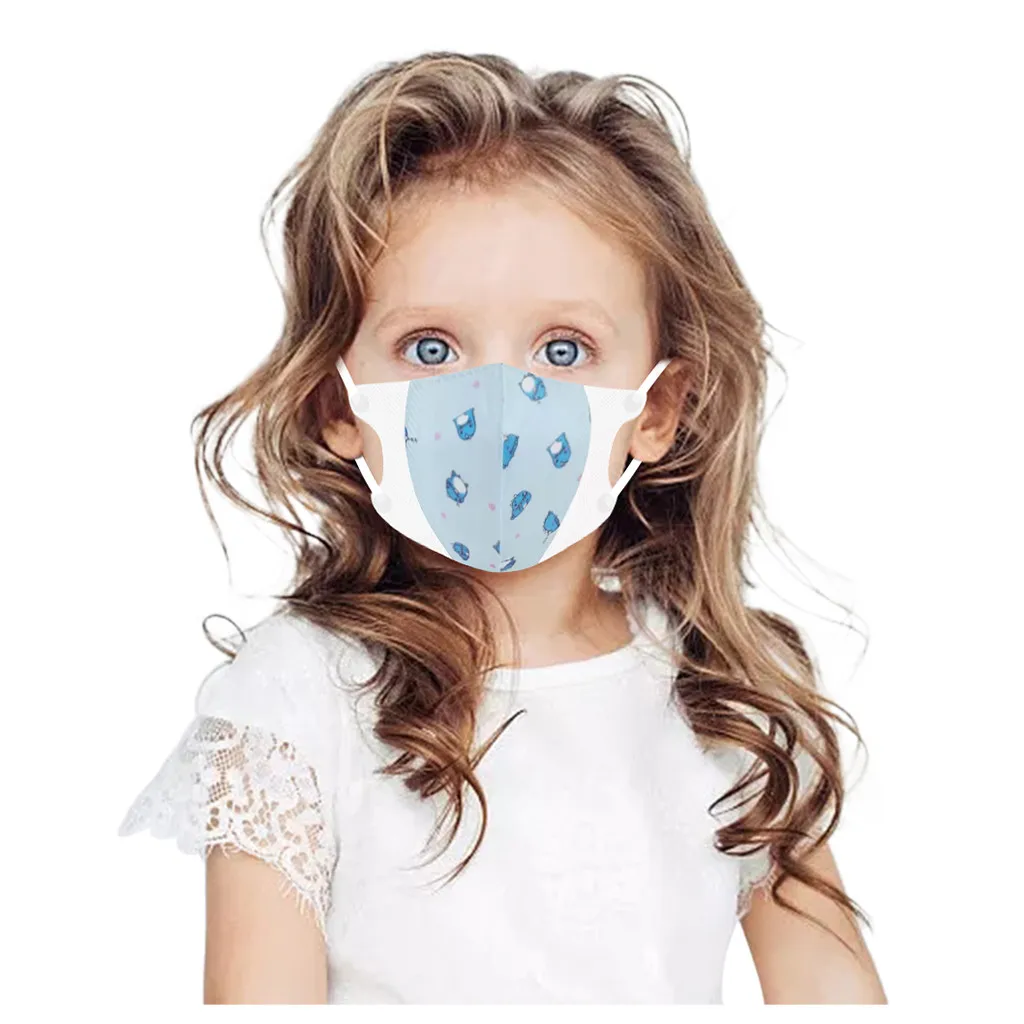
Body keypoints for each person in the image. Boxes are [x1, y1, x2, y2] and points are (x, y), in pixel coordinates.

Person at [117, 51, 886, 1005]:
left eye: (563, 349)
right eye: (429, 346)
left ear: (657, 407)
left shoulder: (726, 699)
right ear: (336, 402)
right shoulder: (296, 697)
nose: (497, 403)